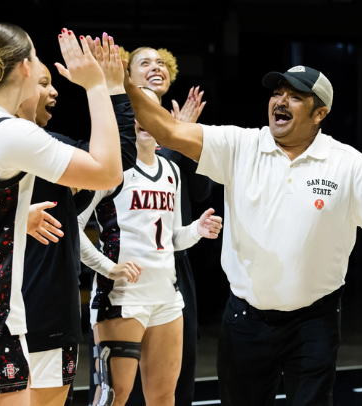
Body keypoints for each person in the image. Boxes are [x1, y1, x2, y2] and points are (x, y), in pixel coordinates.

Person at [121, 63, 362, 405]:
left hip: (315, 319)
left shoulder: (347, 163)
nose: (280, 101)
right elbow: (167, 131)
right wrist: (122, 83)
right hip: (245, 318)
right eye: (276, 93)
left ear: (320, 113)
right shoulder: (238, 144)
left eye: (295, 97)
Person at [0, 24, 124, 406]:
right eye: (36, 57)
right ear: (24, 67)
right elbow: (108, 171)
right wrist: (97, 87)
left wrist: (13, 217)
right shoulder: (8, 131)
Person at [79, 86, 223, 406]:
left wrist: (197, 230)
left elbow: (171, 240)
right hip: (122, 297)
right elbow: (73, 228)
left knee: (163, 397)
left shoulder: (171, 170)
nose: (145, 116)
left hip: (167, 297)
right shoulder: (110, 167)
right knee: (113, 397)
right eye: (136, 109)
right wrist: (108, 266)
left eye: (152, 108)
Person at [15, 32, 138, 406]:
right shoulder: (43, 149)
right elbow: (119, 161)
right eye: (43, 83)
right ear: (16, 85)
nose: (53, 93)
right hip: (42, 314)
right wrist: (108, 88)